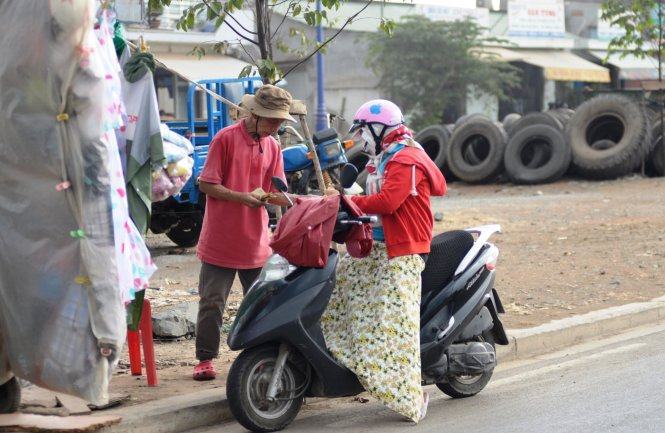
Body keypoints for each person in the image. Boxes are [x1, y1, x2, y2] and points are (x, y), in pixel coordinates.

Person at [322, 99, 447, 423]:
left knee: (394, 327)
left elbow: (388, 202)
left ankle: (409, 395)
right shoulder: (384, 158)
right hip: (379, 245)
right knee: (339, 289)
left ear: (379, 129)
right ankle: (361, 368)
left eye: (364, 132)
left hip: (403, 250)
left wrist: (346, 201)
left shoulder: (406, 158)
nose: (362, 139)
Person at [192, 85, 296, 380]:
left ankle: (260, 358)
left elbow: (276, 190)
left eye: (279, 122)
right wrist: (242, 197)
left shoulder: (273, 146)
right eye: (272, 120)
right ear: (254, 114)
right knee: (212, 301)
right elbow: (206, 185)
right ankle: (205, 359)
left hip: (256, 240)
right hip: (220, 238)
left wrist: (296, 202)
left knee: (263, 303)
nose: (276, 127)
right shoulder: (224, 139)